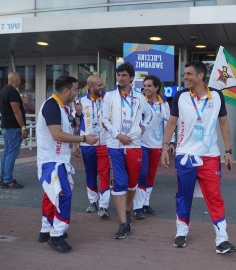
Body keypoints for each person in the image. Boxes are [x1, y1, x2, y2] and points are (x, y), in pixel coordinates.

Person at [161, 60, 236, 254]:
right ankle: (181, 231)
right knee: (183, 195)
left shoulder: (217, 96)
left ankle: (222, 239)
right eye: (185, 74)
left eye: (188, 74)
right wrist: (164, 148)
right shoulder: (180, 96)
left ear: (201, 75)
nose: (185, 77)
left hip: (210, 156)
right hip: (185, 155)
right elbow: (171, 124)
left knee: (214, 196)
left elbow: (224, 124)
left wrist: (228, 151)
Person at [36, 76, 98, 252]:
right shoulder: (51, 106)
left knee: (51, 194)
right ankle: (57, 234)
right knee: (63, 194)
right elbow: (57, 135)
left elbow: (70, 129)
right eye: (75, 89)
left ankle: (45, 230)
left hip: (59, 160)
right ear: (66, 91)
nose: (77, 93)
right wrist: (84, 139)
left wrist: (78, 115)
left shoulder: (63, 107)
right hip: (50, 161)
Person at [101, 62, 152, 239]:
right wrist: (117, 135)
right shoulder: (109, 96)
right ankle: (123, 223)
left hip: (134, 145)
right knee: (119, 183)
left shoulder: (139, 98)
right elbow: (104, 120)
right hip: (115, 145)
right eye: (118, 75)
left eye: (124, 75)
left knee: (132, 184)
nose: (120, 78)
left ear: (131, 78)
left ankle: (127, 209)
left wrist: (141, 130)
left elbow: (149, 115)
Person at [132, 75, 174, 219]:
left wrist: (170, 143)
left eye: (149, 86)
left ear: (157, 87)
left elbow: (169, 124)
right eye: (145, 86)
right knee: (142, 174)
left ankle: (145, 203)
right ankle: (137, 207)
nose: (146, 88)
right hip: (142, 143)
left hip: (157, 144)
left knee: (150, 175)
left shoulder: (164, 104)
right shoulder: (140, 102)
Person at [74, 75, 111, 217]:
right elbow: (75, 124)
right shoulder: (80, 101)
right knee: (90, 173)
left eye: (102, 84)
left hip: (105, 142)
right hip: (87, 143)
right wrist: (75, 144)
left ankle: (103, 205)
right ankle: (93, 201)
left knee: (104, 173)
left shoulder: (108, 99)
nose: (101, 88)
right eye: (99, 85)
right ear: (91, 87)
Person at [0, 71, 28, 189]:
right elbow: (16, 111)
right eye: (19, 78)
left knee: (6, 152)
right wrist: (23, 127)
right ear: (14, 79)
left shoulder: (3, 91)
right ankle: (8, 181)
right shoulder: (12, 92)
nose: (20, 80)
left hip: (5, 126)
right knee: (11, 153)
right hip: (13, 128)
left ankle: (3, 177)